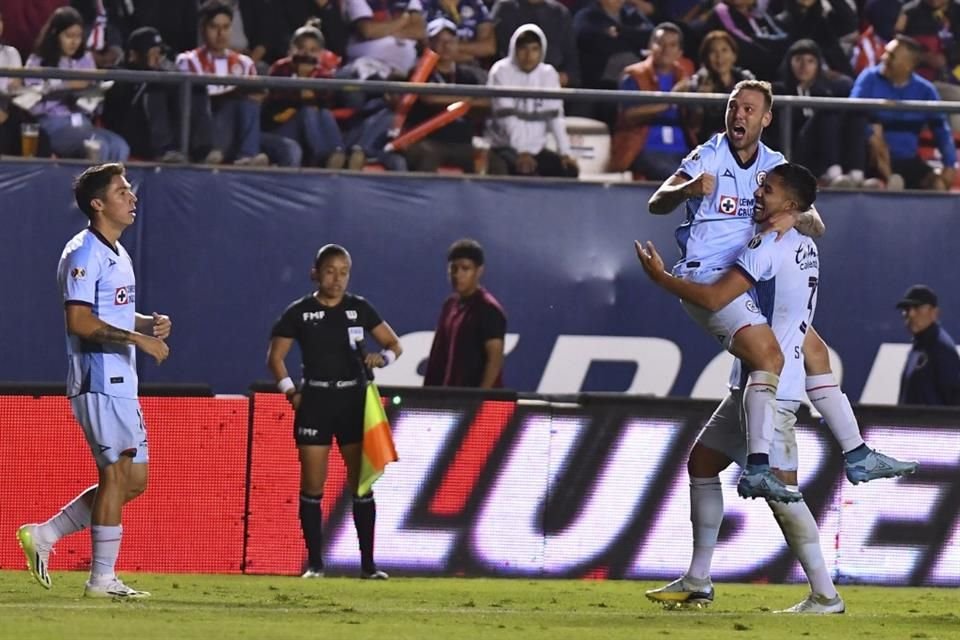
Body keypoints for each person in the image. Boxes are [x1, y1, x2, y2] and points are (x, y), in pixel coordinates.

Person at [647, 80, 917, 500]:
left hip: (750, 275)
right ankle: (757, 467)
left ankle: (857, 453)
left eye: (749, 109)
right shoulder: (708, 155)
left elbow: (816, 223)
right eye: (734, 106)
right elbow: (657, 201)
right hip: (711, 274)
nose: (739, 114)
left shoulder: (774, 167)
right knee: (768, 356)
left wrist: (794, 217)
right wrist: (688, 188)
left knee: (816, 352)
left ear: (766, 118)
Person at [636, 162, 846, 614]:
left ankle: (825, 594)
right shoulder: (797, 243)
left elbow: (714, 298)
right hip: (754, 383)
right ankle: (698, 578)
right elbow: (811, 339)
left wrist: (660, 279)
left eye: (766, 190)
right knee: (703, 463)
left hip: (775, 390)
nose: (757, 194)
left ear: (788, 205)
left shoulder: (768, 247)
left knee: (782, 492)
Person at [17, 163, 171, 599]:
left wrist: (147, 322)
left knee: (133, 481)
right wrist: (137, 339)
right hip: (99, 380)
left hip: (122, 381)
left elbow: (112, 313)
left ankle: (44, 534)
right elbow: (81, 321)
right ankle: (101, 580)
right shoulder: (83, 253)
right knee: (116, 475)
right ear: (98, 204)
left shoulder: (117, 252)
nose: (132, 198)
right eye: (122, 192)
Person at [266, 244, 402, 579]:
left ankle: (368, 566)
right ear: (315, 273)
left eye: (344, 272)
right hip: (315, 403)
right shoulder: (299, 312)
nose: (337, 278)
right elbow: (275, 357)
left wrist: (381, 359)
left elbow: (394, 345)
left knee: (361, 484)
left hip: (353, 402)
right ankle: (315, 564)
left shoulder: (359, 309)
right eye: (330, 271)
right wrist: (291, 394)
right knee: (313, 484)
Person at [850, 35, 957, 191]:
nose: (883, 57)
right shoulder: (869, 78)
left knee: (938, 184)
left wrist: (949, 164)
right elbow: (852, 114)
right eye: (885, 52)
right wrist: (870, 131)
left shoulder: (925, 90)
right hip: (872, 160)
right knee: (874, 138)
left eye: (891, 55)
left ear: (908, 65)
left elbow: (941, 129)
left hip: (907, 160)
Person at [24, 6, 130, 162]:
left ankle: (111, 186)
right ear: (55, 34)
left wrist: (92, 95)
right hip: (53, 124)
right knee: (99, 146)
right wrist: (67, 86)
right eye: (69, 36)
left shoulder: (85, 59)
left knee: (120, 146)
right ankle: (92, 185)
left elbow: (95, 105)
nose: (74, 42)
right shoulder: (38, 61)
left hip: (83, 122)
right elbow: (32, 104)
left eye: (79, 36)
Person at [102, 26, 214, 163]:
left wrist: (172, 74)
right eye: (152, 53)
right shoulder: (120, 74)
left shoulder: (163, 69)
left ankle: (201, 149)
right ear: (134, 55)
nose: (158, 58)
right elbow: (115, 114)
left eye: (159, 52)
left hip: (158, 131)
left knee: (196, 87)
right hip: (131, 135)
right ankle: (164, 150)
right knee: (156, 85)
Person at [486, 24, 579, 178]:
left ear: (541, 51)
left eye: (534, 49)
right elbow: (506, 117)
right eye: (523, 49)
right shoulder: (501, 71)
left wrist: (565, 153)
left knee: (568, 171)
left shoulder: (548, 74)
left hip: (537, 149)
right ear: (514, 49)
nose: (529, 55)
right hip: (504, 146)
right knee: (521, 169)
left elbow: (556, 117)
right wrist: (522, 151)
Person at [608, 22, 693, 178]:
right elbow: (628, 115)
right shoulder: (634, 75)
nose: (666, 49)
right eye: (660, 43)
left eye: (672, 45)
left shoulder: (685, 78)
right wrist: (670, 101)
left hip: (684, 151)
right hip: (645, 149)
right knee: (677, 178)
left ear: (679, 52)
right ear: (650, 46)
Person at [424, 239, 507, 388]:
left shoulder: (488, 309)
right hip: (450, 399)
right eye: (453, 268)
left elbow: (495, 360)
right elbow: (438, 356)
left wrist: (479, 399)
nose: (458, 275)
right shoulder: (449, 305)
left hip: (475, 402)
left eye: (465, 268)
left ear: (479, 271)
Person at [896, 284, 960, 406]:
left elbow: (955, 404)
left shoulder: (942, 349)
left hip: (931, 425)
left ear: (934, 312)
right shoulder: (918, 347)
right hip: (909, 424)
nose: (911, 314)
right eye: (907, 309)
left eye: (917, 307)